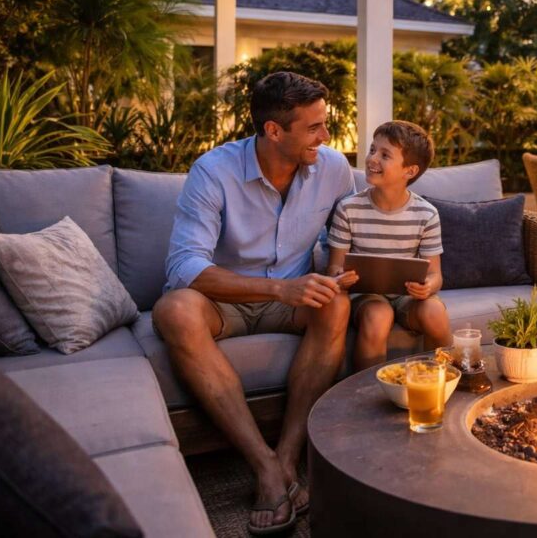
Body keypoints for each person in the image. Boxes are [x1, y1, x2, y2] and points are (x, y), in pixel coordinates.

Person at [153, 71, 356, 535]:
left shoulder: (333, 169)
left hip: (293, 298)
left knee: (338, 304)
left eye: (325, 124)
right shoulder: (213, 171)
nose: (326, 137)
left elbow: (340, 240)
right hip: (224, 302)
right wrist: (278, 289)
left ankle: (286, 456)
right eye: (314, 127)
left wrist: (342, 271)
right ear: (273, 130)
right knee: (174, 311)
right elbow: (184, 267)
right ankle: (262, 463)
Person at [326, 120, 451, 370]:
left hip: (407, 299)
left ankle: (444, 377)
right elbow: (333, 269)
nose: (373, 159)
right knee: (378, 316)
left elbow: (436, 274)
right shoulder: (348, 208)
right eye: (373, 150)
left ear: (410, 171)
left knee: (434, 313)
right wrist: (341, 278)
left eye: (385, 155)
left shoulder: (426, 214)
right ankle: (367, 393)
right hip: (366, 297)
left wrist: (428, 287)